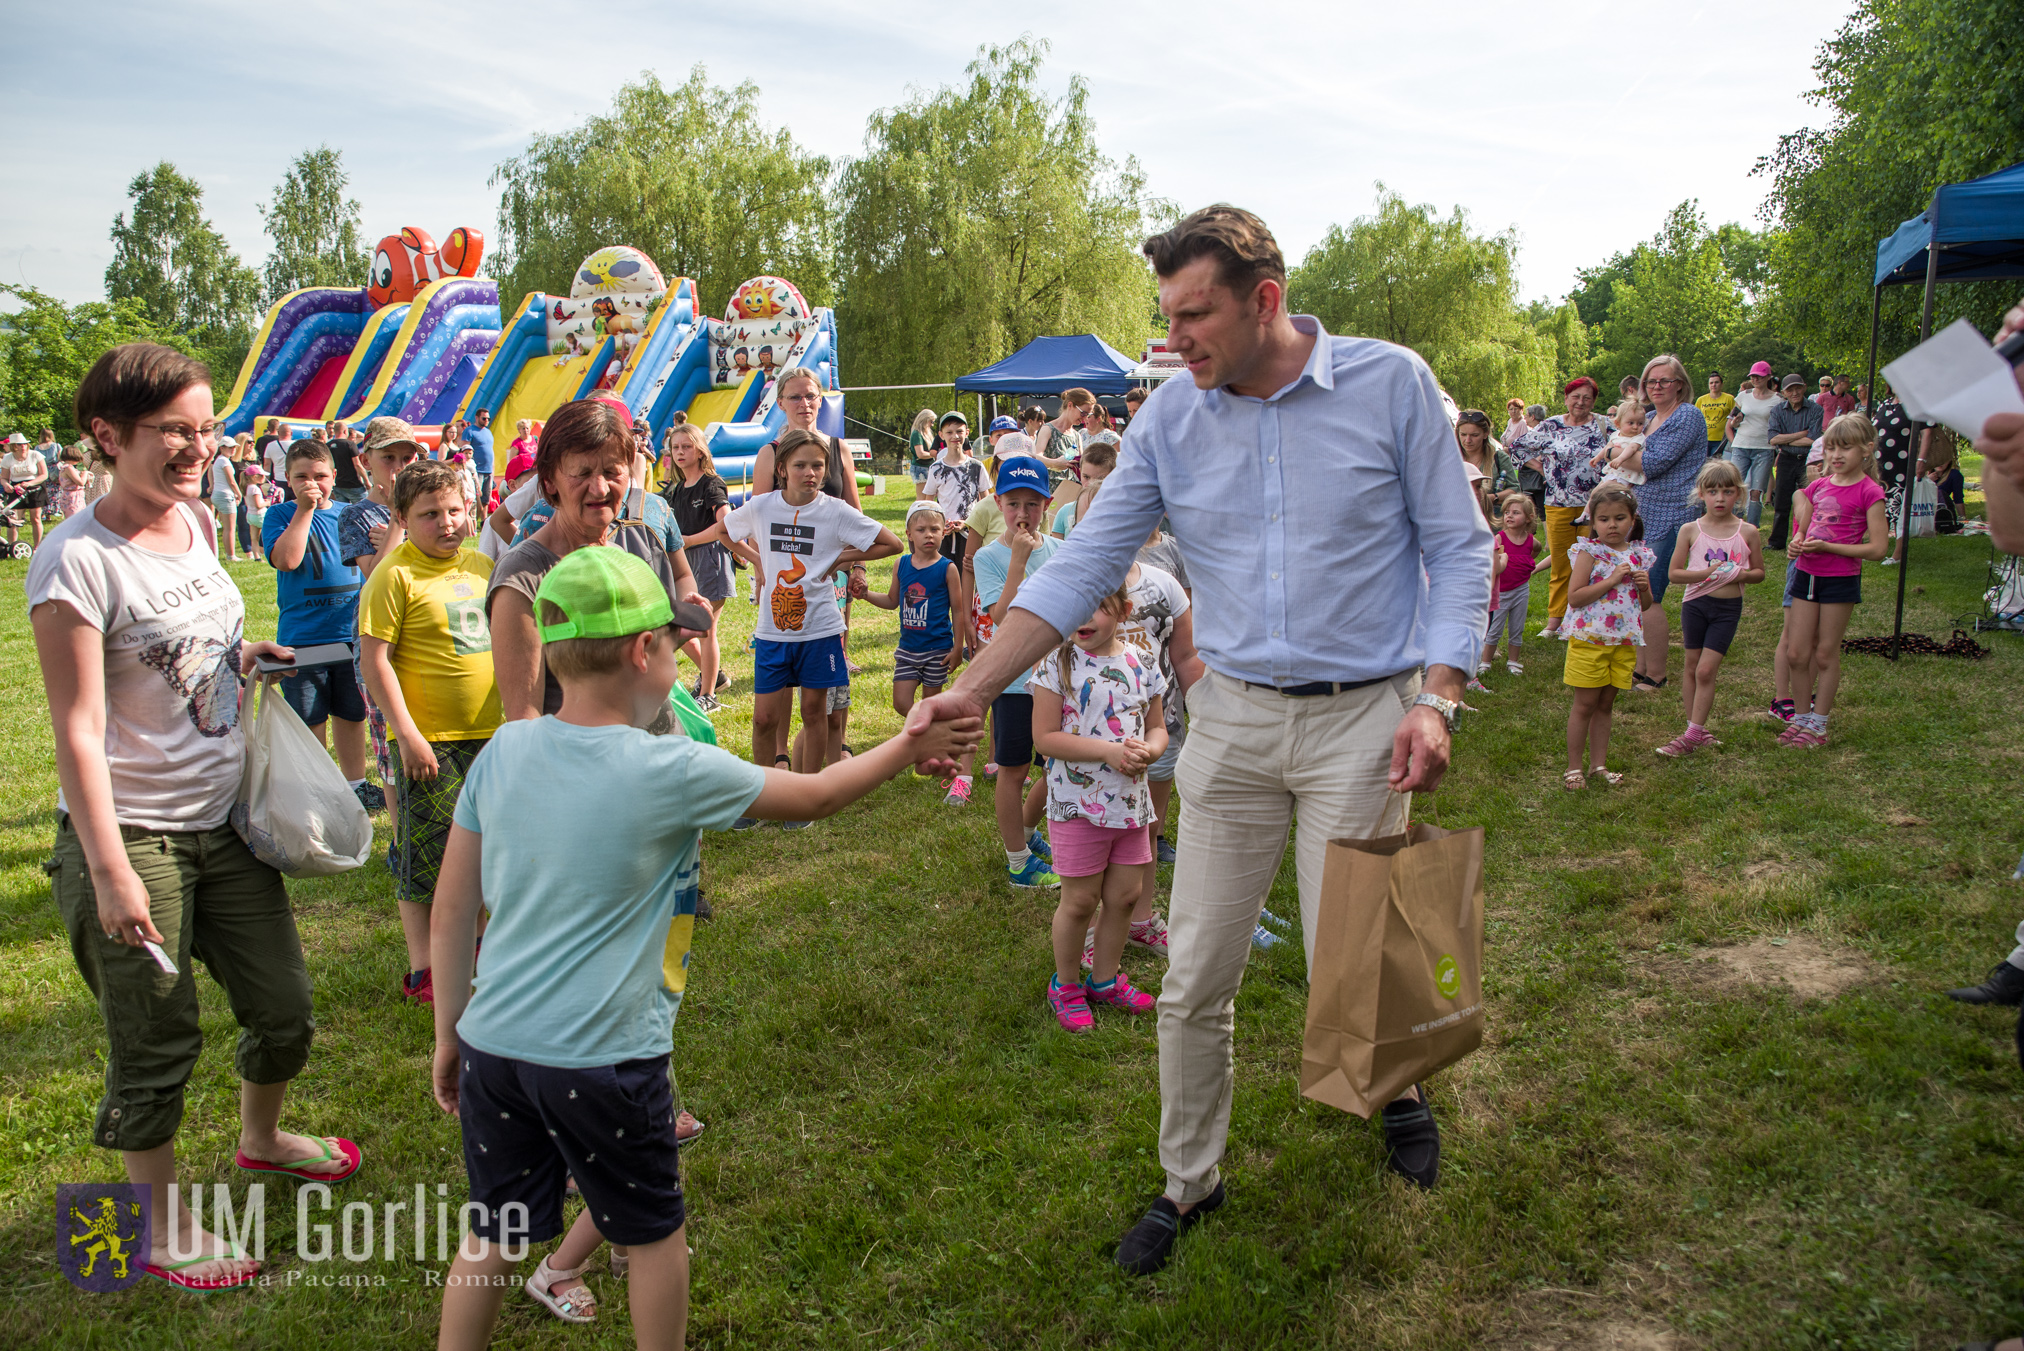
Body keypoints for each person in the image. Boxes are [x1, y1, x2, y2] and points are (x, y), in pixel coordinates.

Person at [906, 206, 1489, 1274]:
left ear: (1262, 300)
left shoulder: (1389, 383)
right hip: (1233, 719)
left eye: (1192, 315)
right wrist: (968, 685)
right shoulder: (1171, 416)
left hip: (1368, 712)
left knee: (1360, 951)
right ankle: (1188, 1182)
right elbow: (1081, 568)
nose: (1172, 341)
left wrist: (1436, 695)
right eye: (1164, 317)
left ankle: (1396, 1087)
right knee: (1193, 977)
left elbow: (1458, 548)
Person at [428, 545, 969, 1349]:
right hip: (606, 1060)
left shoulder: (505, 749)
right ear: (644, 652)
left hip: (494, 1049)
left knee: (495, 1230)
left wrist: (449, 1031)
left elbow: (450, 909)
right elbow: (815, 795)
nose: (683, 657)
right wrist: (905, 746)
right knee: (650, 1235)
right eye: (676, 645)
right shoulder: (671, 766)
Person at [30, 343, 358, 1294]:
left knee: (285, 1009)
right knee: (158, 1036)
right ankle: (162, 1225)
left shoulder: (199, 520)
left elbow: (184, 647)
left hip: (228, 824)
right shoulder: (75, 562)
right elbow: (80, 731)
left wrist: (239, 652)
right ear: (107, 434)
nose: (197, 445)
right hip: (136, 839)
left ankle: (261, 1140)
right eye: (174, 428)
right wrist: (109, 869)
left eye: (205, 426)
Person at [357, 459, 504, 1003]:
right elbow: (376, 662)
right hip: (430, 743)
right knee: (427, 857)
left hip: (490, 733)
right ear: (401, 517)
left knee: (486, 847)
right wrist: (408, 734)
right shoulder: (394, 575)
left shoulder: (481, 566)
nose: (446, 523)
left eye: (454, 511)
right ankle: (424, 968)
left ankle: (481, 946)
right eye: (429, 515)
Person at [720, 428, 899, 825]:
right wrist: (758, 560)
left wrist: (839, 559)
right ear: (782, 469)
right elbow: (725, 531)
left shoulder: (834, 510)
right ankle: (761, 801)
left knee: (815, 712)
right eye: (800, 465)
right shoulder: (762, 506)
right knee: (764, 718)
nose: (810, 473)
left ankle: (803, 799)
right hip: (772, 633)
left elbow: (891, 543)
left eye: (818, 465)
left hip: (820, 632)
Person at [1030, 586, 1167, 1032]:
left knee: (1125, 897)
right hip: (1077, 807)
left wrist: (1150, 749)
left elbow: (1158, 727)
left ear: (1124, 612)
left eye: (1096, 608)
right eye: (1073, 608)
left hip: (1131, 807)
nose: (1082, 618)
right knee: (1081, 900)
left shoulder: (1143, 663)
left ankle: (1105, 980)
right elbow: (1046, 738)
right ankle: (1066, 984)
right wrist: (1107, 752)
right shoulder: (1057, 663)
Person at [261, 439, 375, 807]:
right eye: (302, 477)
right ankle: (315, 788)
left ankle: (355, 784)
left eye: (320, 476)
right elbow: (287, 560)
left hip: (349, 633)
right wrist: (304, 511)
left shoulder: (350, 513)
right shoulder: (279, 516)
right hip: (305, 638)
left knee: (351, 710)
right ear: (286, 478)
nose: (313, 483)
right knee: (309, 715)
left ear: (334, 475)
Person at [969, 455, 1065, 888]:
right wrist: (1018, 563)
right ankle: (1017, 861)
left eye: (1033, 504)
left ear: (1047, 503)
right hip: (1013, 683)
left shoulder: (1062, 551)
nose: (1023, 515)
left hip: (1058, 680)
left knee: (1058, 765)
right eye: (1013, 504)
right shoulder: (990, 557)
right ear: (998, 503)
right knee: (1013, 769)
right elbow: (1003, 619)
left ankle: (1027, 833)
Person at [1779, 413, 1888, 749]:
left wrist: (1828, 546)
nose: (1836, 456)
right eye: (1830, 449)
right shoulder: (1822, 484)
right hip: (1806, 574)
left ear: (1866, 450)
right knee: (1797, 652)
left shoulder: (1871, 492)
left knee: (1825, 654)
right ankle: (1800, 719)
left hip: (1839, 579)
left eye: (1846, 448)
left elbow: (1878, 548)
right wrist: (1798, 535)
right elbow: (1801, 497)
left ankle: (1819, 726)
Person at [338, 418, 426, 817]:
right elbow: (375, 572)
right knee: (390, 744)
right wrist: (396, 521)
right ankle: (400, 840)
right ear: (365, 460)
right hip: (382, 642)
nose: (398, 466)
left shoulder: (430, 508)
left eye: (407, 457)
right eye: (388, 457)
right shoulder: (356, 515)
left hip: (425, 634)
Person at [1656, 460, 1764, 757]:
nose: (1720, 498)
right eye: (1713, 491)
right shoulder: (1690, 530)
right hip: (1696, 604)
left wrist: (1739, 574)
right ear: (1701, 494)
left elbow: (1759, 573)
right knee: (1692, 668)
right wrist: (1708, 573)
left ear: (1738, 495)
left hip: (1728, 609)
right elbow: (1674, 574)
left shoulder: (1748, 531)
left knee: (1706, 670)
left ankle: (1690, 736)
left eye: (1727, 491)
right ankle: (1696, 730)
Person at [1559, 484, 1654, 790]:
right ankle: (1574, 768)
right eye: (1603, 519)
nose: (1612, 525)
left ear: (1632, 519)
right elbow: (1574, 597)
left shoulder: (1638, 554)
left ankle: (1598, 765)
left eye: (1619, 518)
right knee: (1584, 704)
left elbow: (1646, 605)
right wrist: (1612, 580)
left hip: (1623, 642)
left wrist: (1643, 587)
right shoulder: (1589, 551)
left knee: (1606, 705)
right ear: (1593, 521)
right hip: (1590, 640)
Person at [1625, 354, 1709, 692]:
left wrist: (1622, 450)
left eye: (1664, 381)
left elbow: (1654, 464)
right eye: (1650, 381)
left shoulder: (1687, 415)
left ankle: (1656, 675)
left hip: (1673, 513)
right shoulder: (1645, 419)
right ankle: (1639, 668)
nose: (1656, 387)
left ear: (1680, 385)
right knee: (1636, 591)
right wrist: (1627, 452)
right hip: (1642, 513)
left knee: (1651, 593)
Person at [1508, 378, 1610, 637]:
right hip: (1558, 503)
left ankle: (1587, 617)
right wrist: (1542, 469)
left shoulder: (1603, 425)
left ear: (1594, 401)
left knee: (1594, 562)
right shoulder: (1551, 425)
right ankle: (1555, 620)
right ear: (1566, 398)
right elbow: (1518, 447)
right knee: (1562, 563)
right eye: (1576, 396)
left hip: (1597, 506)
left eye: (1587, 397)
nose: (1581, 402)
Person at [660, 421, 739, 711]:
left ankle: (709, 696)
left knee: (706, 628)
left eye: (687, 446)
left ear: (700, 450)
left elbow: (725, 523)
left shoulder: (711, 483)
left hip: (710, 559)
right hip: (685, 562)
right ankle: (713, 677)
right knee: (682, 624)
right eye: (675, 447)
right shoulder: (677, 489)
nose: (680, 452)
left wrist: (691, 540)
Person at [863, 500, 961, 717]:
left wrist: (958, 647)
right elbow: (891, 600)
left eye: (934, 529)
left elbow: (958, 610)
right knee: (901, 702)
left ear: (943, 532)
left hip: (937, 650)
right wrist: (865, 595)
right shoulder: (901, 564)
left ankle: (929, 741)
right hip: (908, 649)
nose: (929, 535)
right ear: (909, 534)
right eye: (921, 530)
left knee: (931, 704)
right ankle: (930, 729)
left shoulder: (948, 568)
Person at [1764, 373, 1825, 553]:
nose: (1795, 392)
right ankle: (1776, 542)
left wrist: (1786, 439)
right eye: (1790, 390)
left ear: (1804, 387)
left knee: (1811, 500)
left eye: (1798, 388)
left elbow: (1813, 440)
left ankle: (1809, 537)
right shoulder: (1777, 411)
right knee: (1781, 501)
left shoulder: (1815, 409)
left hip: (1808, 460)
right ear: (1784, 392)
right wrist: (1801, 434)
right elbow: (1773, 439)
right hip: (1785, 459)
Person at [1481, 491, 1539, 677]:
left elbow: (1535, 550)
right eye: (1507, 512)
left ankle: (1513, 661)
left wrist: (1523, 565)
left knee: (1517, 627)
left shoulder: (1531, 541)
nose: (1509, 516)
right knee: (1495, 628)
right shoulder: (1499, 539)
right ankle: (1485, 662)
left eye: (1516, 512)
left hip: (1521, 589)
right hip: (1502, 591)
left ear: (1529, 518)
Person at [1725, 362, 1783, 526]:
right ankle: (1733, 523)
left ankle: (1752, 527)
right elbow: (1730, 423)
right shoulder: (1744, 396)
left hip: (1763, 448)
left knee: (1756, 491)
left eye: (1759, 376)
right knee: (1734, 486)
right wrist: (1734, 427)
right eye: (1753, 376)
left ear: (1768, 378)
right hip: (1741, 446)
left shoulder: (1777, 400)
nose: (1755, 379)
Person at [5, 430, 51, 553]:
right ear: (13, 446)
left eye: (24, 444)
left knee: (35, 518)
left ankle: (37, 547)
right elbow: (4, 477)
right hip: (16, 488)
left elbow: (44, 474)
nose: (23, 446)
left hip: (35, 486)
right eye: (19, 444)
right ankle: (11, 547)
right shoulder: (8, 458)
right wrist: (6, 485)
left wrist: (29, 484)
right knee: (14, 518)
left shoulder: (35, 455)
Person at [1454, 408, 1515, 494]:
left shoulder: (1499, 458)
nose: (1468, 440)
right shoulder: (1450, 459)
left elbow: (1515, 489)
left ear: (1485, 434)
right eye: (1463, 434)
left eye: (1474, 435)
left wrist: (1493, 498)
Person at [1594, 400, 1647, 489]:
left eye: (1640, 423)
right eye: (1631, 423)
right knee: (1594, 494)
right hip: (1614, 472)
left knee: (1601, 492)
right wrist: (1598, 457)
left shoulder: (1638, 437)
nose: (1635, 427)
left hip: (1626, 475)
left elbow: (1632, 448)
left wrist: (1620, 459)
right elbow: (1607, 447)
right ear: (1618, 423)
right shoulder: (1615, 434)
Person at [205, 439, 242, 560]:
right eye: (230, 447)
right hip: (225, 495)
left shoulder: (218, 460)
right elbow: (231, 481)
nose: (233, 449)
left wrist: (212, 485)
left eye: (234, 447)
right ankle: (231, 555)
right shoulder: (224, 461)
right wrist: (239, 493)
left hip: (218, 494)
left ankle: (226, 554)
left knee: (226, 527)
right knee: (230, 528)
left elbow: (210, 470)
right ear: (222, 448)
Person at [1696, 372, 1735, 460]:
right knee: (1702, 464)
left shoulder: (1729, 399)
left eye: (1716, 382)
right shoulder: (1701, 400)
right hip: (1704, 438)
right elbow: (1696, 418)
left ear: (1721, 384)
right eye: (1711, 383)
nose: (1714, 385)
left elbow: (1734, 417)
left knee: (1716, 464)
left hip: (1721, 439)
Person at [326, 420, 365, 504]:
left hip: (338, 484)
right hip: (353, 484)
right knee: (363, 510)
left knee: (343, 510)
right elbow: (357, 464)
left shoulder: (327, 446)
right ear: (345, 431)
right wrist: (366, 481)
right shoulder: (349, 444)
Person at [466, 407, 496, 507]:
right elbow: (464, 449)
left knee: (486, 500)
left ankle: (483, 521)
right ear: (477, 417)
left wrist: (493, 468)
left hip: (488, 469)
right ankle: (474, 519)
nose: (486, 420)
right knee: (476, 497)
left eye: (488, 419)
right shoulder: (470, 431)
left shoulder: (488, 432)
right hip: (477, 470)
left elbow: (490, 451)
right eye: (484, 418)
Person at [54, 444, 89, 520]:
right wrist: (85, 473)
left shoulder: (65, 467)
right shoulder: (68, 468)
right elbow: (81, 482)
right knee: (76, 519)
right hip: (73, 497)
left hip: (74, 496)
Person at [906, 407, 938, 487]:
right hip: (920, 468)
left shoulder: (926, 433)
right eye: (931, 422)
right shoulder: (917, 434)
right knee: (922, 497)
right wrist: (936, 454)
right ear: (925, 420)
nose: (932, 425)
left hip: (928, 466)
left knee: (930, 495)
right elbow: (920, 454)